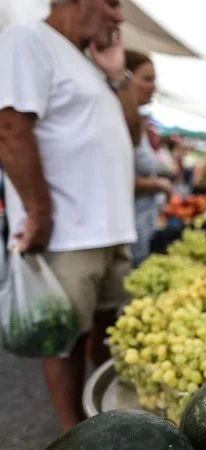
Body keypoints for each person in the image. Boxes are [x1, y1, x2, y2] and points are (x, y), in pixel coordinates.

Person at [0, 0, 137, 431]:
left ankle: (106, 420)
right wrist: (38, 210)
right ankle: (73, 431)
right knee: (64, 340)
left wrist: (118, 77)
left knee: (106, 330)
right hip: (68, 231)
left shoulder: (87, 63)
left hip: (109, 227)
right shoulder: (27, 39)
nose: (119, 17)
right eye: (112, 3)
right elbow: (9, 126)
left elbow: (132, 134)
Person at [125, 50, 173, 266]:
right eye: (147, 79)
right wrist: (157, 184)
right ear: (124, 79)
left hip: (142, 226)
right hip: (126, 231)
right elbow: (114, 179)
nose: (154, 87)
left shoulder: (138, 124)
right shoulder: (118, 124)